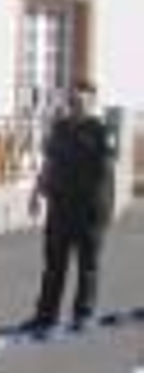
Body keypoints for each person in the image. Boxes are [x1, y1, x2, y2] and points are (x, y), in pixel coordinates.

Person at [24, 79, 116, 331]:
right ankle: (45, 315)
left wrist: (104, 211)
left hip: (90, 210)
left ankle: (83, 314)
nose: (75, 103)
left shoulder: (101, 131)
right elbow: (50, 163)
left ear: (91, 101)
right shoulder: (60, 128)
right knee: (53, 265)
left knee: (87, 265)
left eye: (81, 100)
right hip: (60, 207)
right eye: (72, 99)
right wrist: (36, 193)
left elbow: (106, 173)